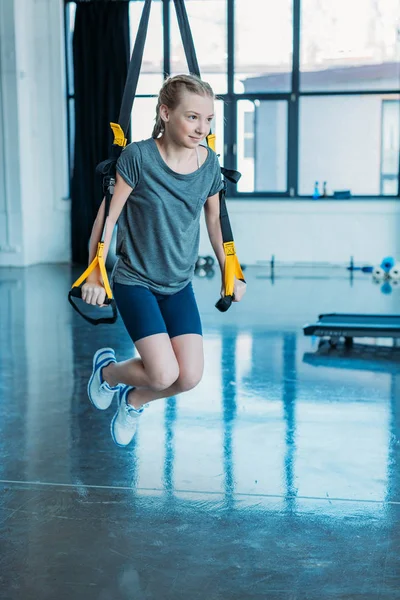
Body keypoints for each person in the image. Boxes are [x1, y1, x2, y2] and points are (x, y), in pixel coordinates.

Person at [81, 74, 246, 447]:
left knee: (188, 377)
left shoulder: (208, 164)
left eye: (208, 120)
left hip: (178, 285)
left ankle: (132, 400)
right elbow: (107, 217)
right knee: (161, 373)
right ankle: (108, 372)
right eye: (192, 117)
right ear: (165, 112)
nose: (202, 128)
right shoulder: (138, 157)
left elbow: (216, 221)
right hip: (135, 280)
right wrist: (95, 275)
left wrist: (230, 270)